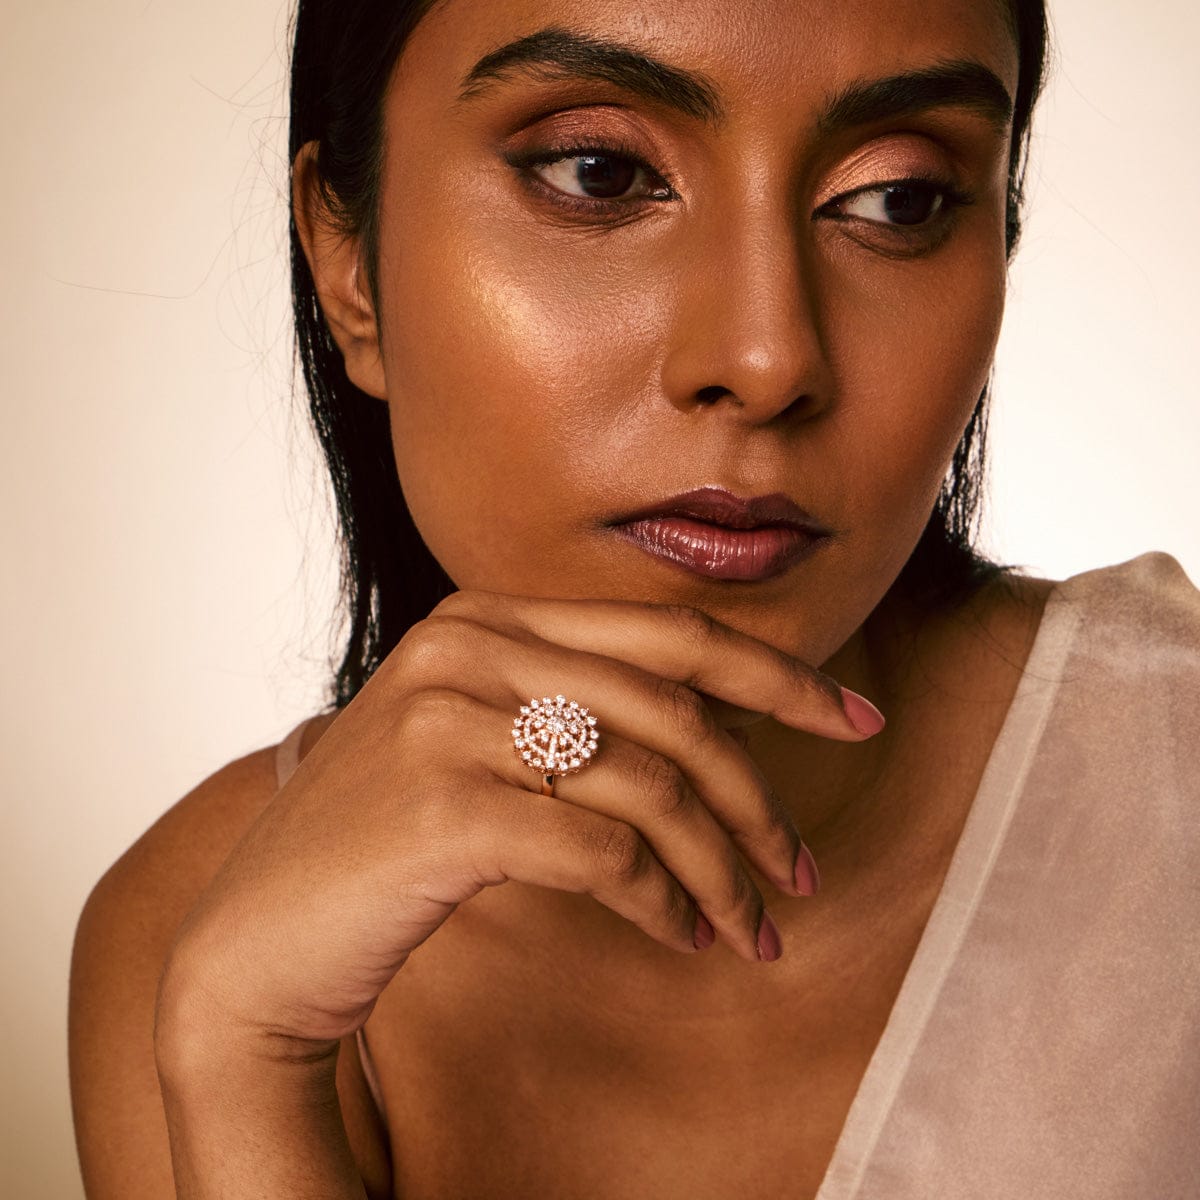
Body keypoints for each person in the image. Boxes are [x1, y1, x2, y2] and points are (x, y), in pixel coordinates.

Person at [67, 0, 1200, 1197]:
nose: (767, 360)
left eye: (900, 198)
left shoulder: (1172, 787)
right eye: (598, 174)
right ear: (349, 265)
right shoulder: (215, 939)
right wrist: (246, 1062)